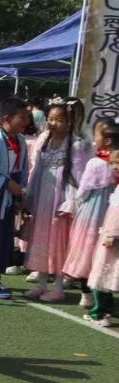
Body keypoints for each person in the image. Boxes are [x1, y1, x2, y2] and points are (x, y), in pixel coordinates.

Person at [21, 100, 90, 302]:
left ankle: (59, 286)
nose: (53, 123)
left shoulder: (75, 145)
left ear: (69, 122)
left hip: (61, 202)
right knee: (41, 239)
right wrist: (30, 197)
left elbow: (79, 176)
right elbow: (36, 171)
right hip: (43, 198)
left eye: (58, 120)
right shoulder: (45, 140)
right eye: (50, 119)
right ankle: (42, 283)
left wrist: (71, 203)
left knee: (59, 243)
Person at [64, 122, 119, 310]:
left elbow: (84, 189)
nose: (94, 139)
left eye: (97, 135)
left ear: (107, 140)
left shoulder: (95, 163)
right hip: (111, 211)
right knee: (103, 254)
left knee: (85, 251)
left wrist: (76, 202)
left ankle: (86, 295)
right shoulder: (114, 162)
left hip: (92, 211)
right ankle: (104, 294)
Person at [84, 147, 119, 325]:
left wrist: (112, 234)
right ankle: (106, 310)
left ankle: (100, 313)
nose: (114, 167)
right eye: (113, 163)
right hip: (109, 234)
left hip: (111, 239)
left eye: (117, 163)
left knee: (101, 274)